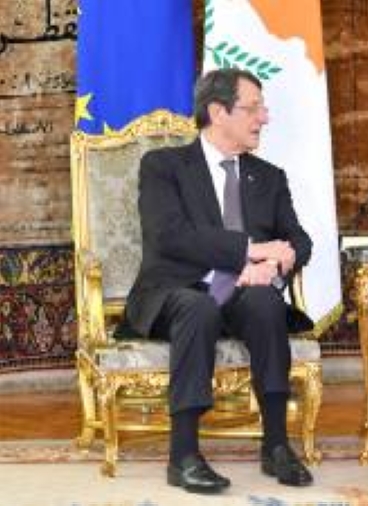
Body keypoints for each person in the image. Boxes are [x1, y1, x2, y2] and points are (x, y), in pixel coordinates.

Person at [122, 68, 315, 493]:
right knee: (199, 307)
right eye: (252, 108)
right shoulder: (164, 166)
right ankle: (184, 455)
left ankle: (277, 445)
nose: (264, 117)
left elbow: (299, 241)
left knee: (266, 302)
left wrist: (271, 267)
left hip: (244, 296)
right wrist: (249, 251)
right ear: (217, 112)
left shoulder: (268, 176)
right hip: (177, 291)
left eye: (262, 108)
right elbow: (169, 236)